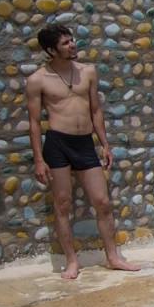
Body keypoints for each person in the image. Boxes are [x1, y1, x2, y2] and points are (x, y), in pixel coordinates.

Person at [25, 24, 140, 279]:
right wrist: (38, 160)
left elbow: (96, 110)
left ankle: (112, 256)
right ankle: (71, 261)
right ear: (50, 50)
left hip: (85, 143)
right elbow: (34, 122)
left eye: (72, 40)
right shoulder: (38, 80)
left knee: (103, 202)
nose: (72, 45)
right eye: (65, 43)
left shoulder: (87, 72)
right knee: (63, 204)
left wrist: (105, 144)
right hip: (58, 144)